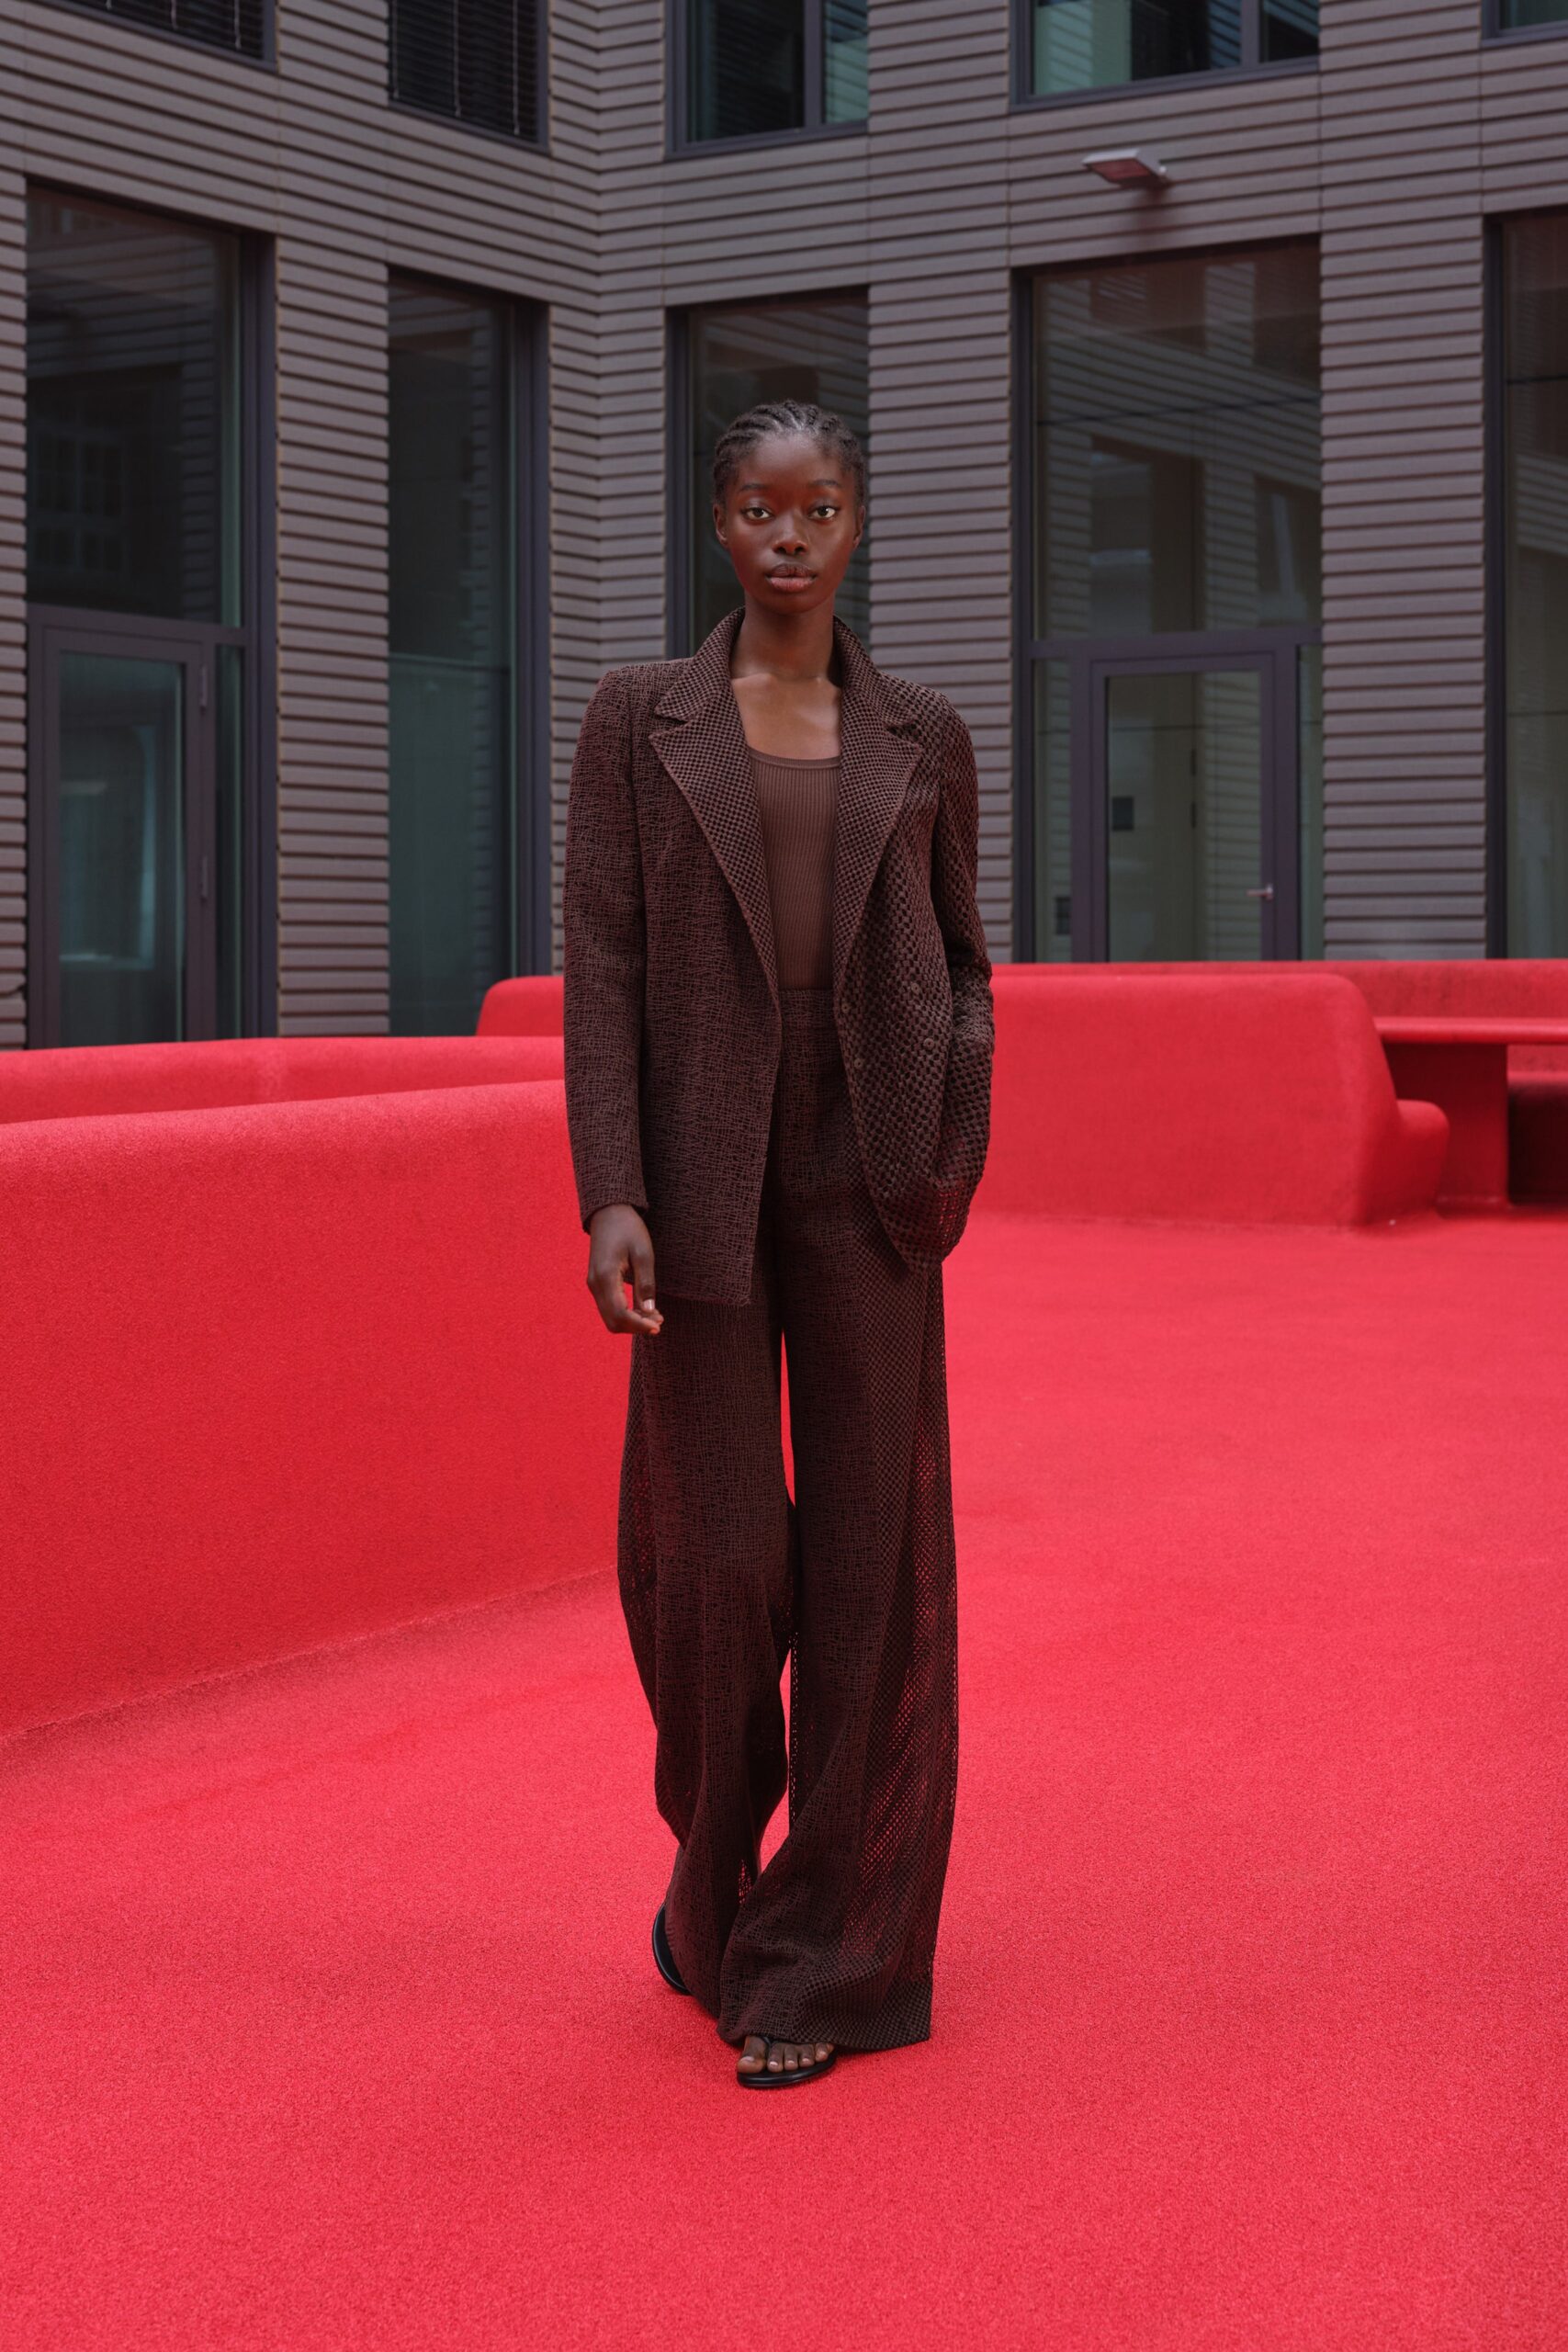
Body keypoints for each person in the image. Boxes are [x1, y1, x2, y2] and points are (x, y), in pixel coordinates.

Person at [561, 398, 994, 2088]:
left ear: (857, 524)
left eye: (818, 508)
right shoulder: (636, 723)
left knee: (875, 1562)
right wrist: (613, 1188)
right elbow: (600, 966)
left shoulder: (924, 733)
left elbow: (963, 964)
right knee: (720, 1559)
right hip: (696, 1167)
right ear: (720, 526)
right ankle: (709, 1870)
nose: (789, 536)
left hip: (868, 1165)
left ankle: (829, 1952)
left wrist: (947, 1150)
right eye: (758, 508)